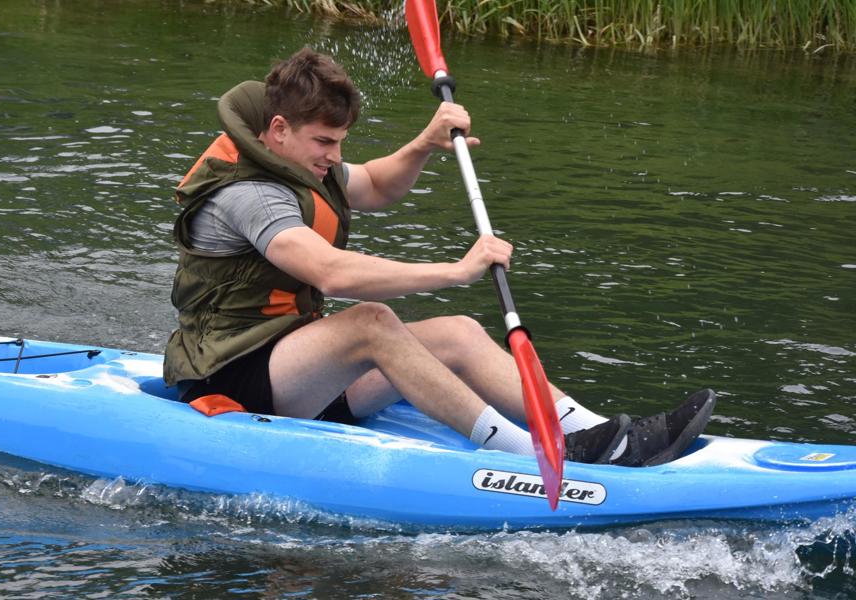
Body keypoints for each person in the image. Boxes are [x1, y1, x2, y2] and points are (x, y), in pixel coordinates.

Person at [164, 47, 715, 467]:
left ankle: (599, 435)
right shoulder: (249, 193)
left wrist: (424, 144)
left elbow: (378, 184)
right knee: (372, 323)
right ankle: (531, 455)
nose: (335, 156)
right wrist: (455, 270)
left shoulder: (301, 164)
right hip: (231, 377)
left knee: (458, 332)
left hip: (297, 367)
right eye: (325, 143)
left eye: (340, 142)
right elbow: (329, 273)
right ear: (278, 130)